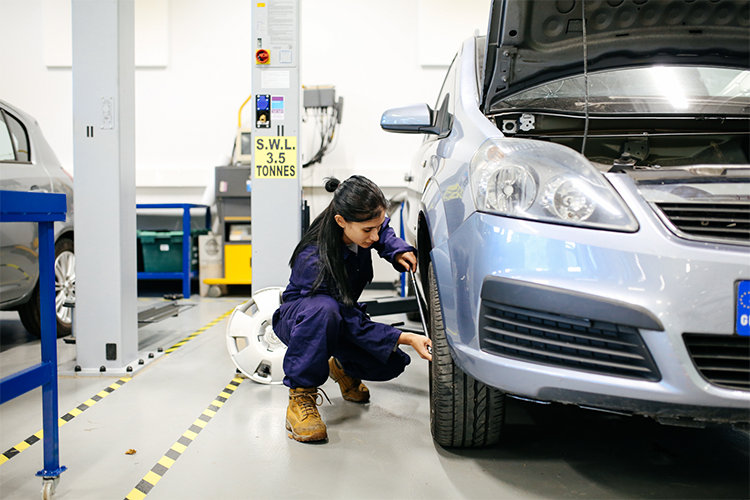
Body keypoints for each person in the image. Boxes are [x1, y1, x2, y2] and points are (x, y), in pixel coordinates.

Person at [272, 175, 432, 443]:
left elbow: (382, 231)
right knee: (324, 310)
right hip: (303, 319)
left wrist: (395, 249)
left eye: (378, 227)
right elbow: (347, 319)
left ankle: (340, 365)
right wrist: (404, 337)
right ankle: (300, 397)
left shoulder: (362, 226)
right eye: (368, 230)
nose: (375, 235)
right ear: (341, 221)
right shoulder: (314, 256)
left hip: (338, 316)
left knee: (390, 363)